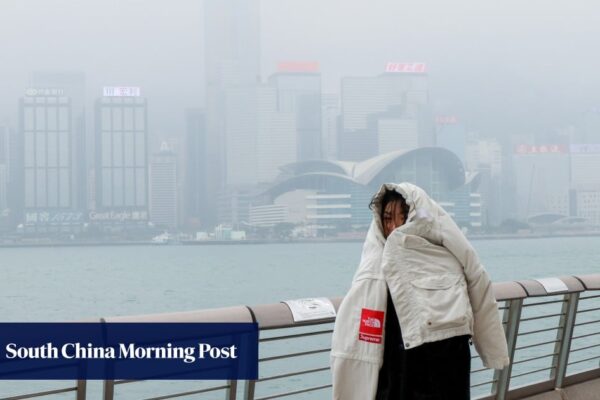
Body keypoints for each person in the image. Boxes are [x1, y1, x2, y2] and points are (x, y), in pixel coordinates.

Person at [330, 183, 509, 400]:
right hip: (394, 360)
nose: (394, 226)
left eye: (403, 217)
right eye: (388, 219)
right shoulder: (374, 258)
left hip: (443, 360)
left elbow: (478, 283)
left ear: (418, 218)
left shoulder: (448, 255)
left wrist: (493, 351)